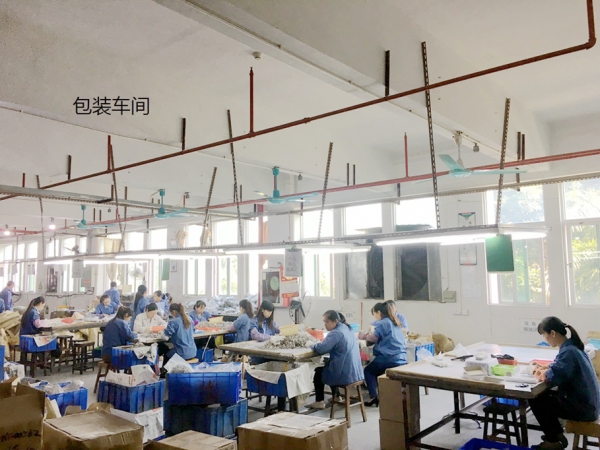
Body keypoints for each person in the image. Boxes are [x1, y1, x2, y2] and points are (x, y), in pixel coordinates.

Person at [529, 317, 600, 450]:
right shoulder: (573, 346)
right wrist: (548, 367)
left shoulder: (568, 352)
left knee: (536, 399)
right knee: (544, 396)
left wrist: (541, 372)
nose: (545, 339)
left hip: (583, 409)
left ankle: (553, 440)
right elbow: (561, 367)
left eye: (544, 335)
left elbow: (552, 377)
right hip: (588, 404)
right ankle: (556, 435)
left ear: (553, 333)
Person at [306, 310, 364, 410]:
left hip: (345, 374)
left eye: (327, 322)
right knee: (329, 366)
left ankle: (319, 401)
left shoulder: (336, 333)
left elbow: (321, 348)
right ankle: (337, 396)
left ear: (335, 321)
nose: (325, 324)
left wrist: (312, 345)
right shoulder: (347, 328)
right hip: (356, 372)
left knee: (319, 372)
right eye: (324, 322)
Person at [358, 302, 406, 407]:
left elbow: (372, 338)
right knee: (377, 370)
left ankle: (374, 396)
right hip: (401, 357)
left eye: (375, 314)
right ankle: (381, 395)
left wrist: (361, 335)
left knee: (368, 371)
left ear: (379, 312)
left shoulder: (384, 322)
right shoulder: (395, 321)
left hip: (389, 358)